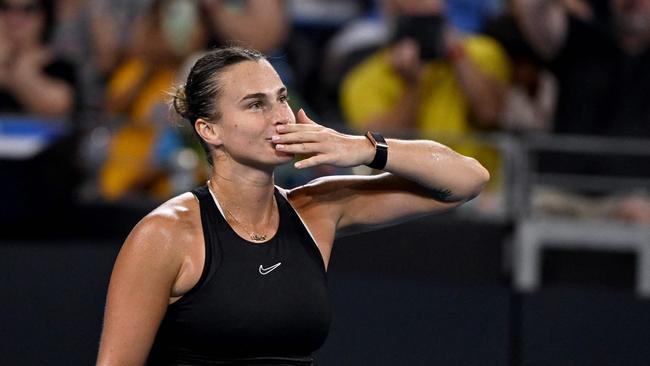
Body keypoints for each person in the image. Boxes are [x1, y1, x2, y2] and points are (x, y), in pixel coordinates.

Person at [96, 46, 489, 365]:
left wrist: (362, 148)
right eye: (255, 105)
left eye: (281, 98)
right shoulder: (165, 234)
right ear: (209, 129)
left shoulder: (318, 208)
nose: (280, 117)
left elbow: (467, 180)